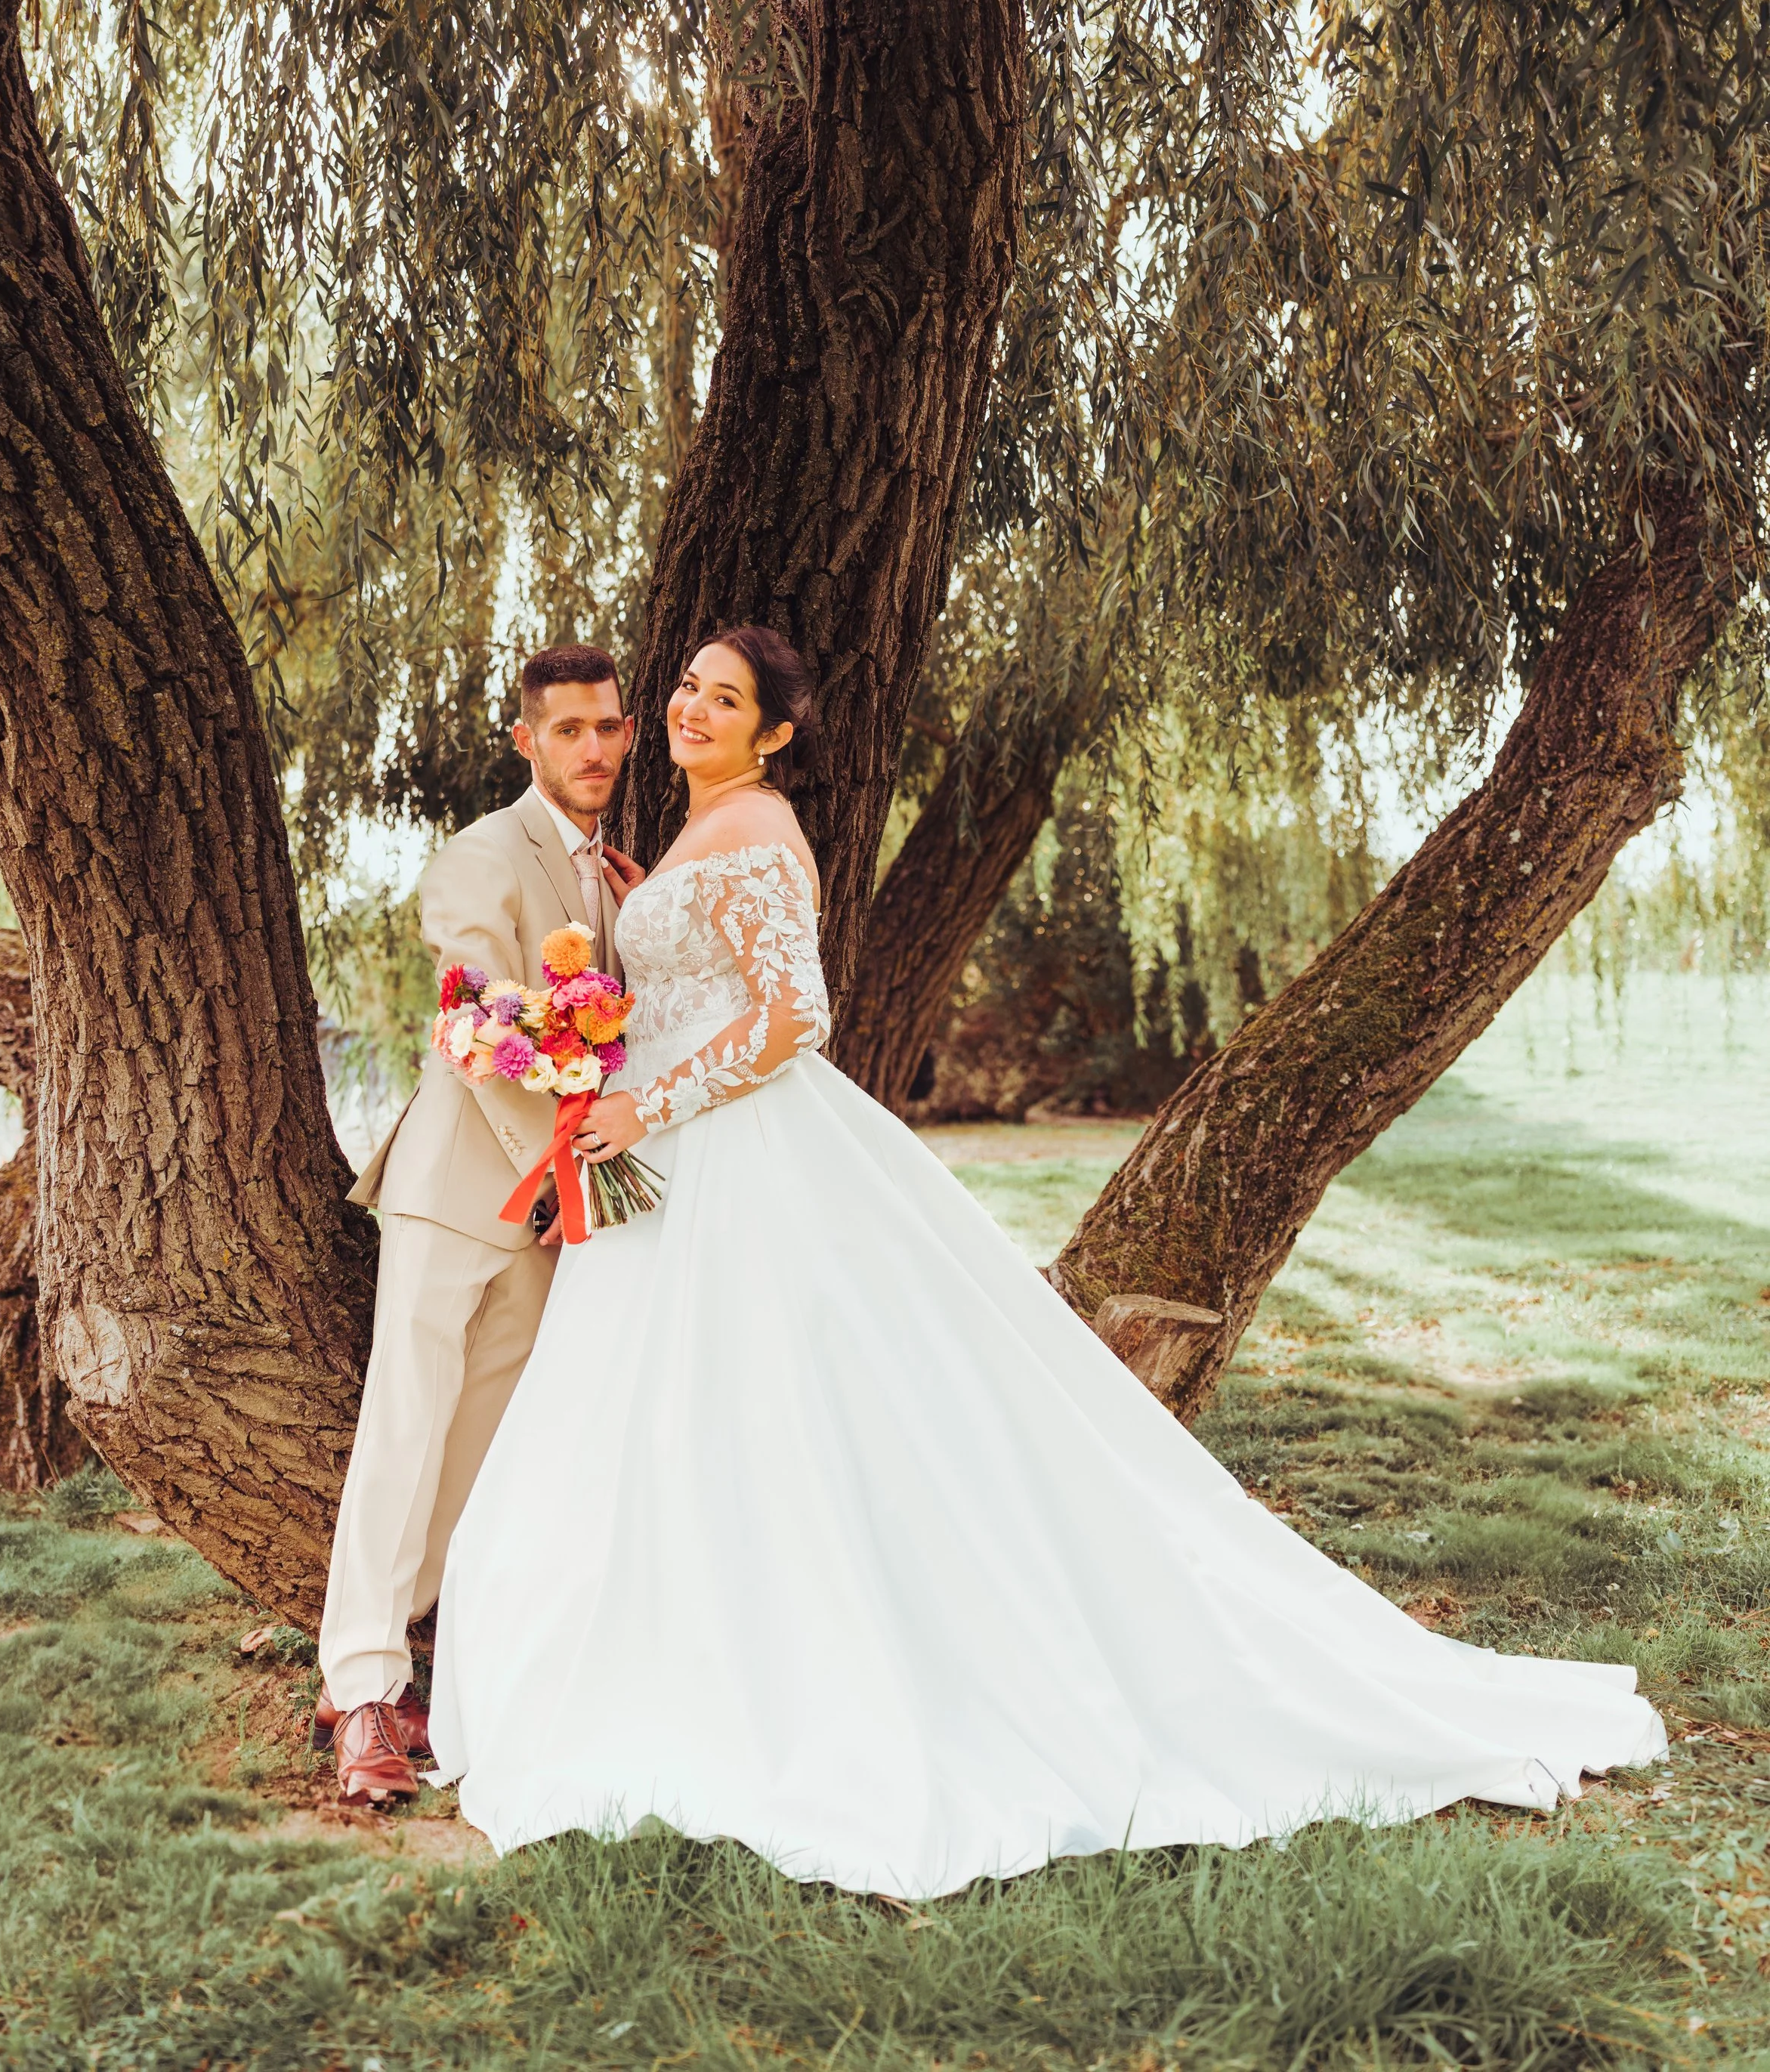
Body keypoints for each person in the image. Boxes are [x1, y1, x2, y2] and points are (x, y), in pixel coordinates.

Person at [428, 624, 1665, 1897]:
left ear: (775, 733)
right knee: (661, 1422)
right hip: (674, 1169)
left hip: (737, 1153)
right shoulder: (689, 833)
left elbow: (799, 1019)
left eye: (724, 698)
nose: (691, 707)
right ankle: (657, 1664)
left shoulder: (757, 832)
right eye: (686, 686)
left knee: (771, 1414)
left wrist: (650, 1102)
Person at [317, 643, 642, 1804]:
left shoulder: (611, 872)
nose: (595, 748)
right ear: (527, 741)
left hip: (553, 1217)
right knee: (403, 1430)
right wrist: (550, 1173)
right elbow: (482, 1017)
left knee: (479, 1451)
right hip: (464, 1191)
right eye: (570, 730)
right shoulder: (479, 855)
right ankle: (359, 1687)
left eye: (610, 726)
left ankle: (413, 1660)